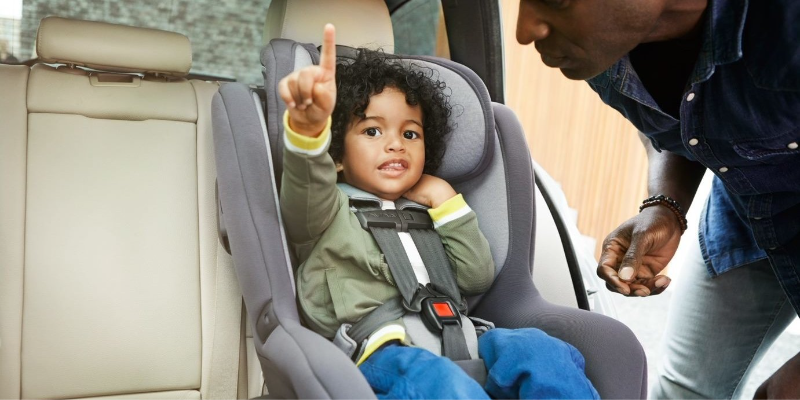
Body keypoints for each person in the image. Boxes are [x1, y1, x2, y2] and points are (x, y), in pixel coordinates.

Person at [277, 24, 599, 399]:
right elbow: (306, 183)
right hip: (381, 352)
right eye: (372, 131)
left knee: (541, 350)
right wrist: (309, 131)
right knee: (442, 384)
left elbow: (476, 277)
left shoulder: (429, 211)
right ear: (336, 156)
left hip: (463, 336)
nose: (396, 144)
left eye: (410, 134)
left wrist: (447, 204)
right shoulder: (326, 209)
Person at [514, 0, 800, 398]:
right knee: (685, 393)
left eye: (555, 1)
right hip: (746, 217)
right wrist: (666, 204)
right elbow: (678, 125)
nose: (524, 31)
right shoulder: (605, 53)